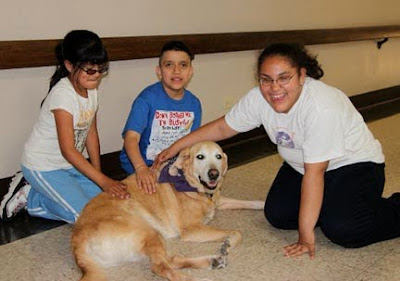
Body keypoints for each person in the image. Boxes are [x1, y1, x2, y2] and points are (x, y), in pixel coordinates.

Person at [154, 43, 400, 259]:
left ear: (301, 75)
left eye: (284, 78)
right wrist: (177, 146)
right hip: (301, 166)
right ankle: (330, 205)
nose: (275, 88)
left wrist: (305, 237)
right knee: (278, 215)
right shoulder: (259, 98)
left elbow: (315, 174)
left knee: (343, 230)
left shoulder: (321, 107)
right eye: (266, 79)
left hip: (353, 166)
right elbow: (221, 127)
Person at [0, 30, 129, 223]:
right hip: (43, 166)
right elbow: (68, 150)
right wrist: (103, 181)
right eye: (90, 70)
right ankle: (32, 198)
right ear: (69, 65)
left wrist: (98, 175)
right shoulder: (63, 95)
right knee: (88, 217)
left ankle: (42, 194)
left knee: (107, 204)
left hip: (68, 165)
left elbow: (91, 134)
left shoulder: (91, 89)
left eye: (101, 69)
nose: (97, 76)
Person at [120, 40, 202, 194]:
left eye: (183, 65)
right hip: (142, 164)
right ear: (159, 71)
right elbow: (131, 139)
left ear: (190, 71)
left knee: (196, 198)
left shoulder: (194, 103)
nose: (176, 71)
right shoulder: (146, 99)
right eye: (169, 65)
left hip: (174, 164)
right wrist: (141, 168)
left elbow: (191, 143)